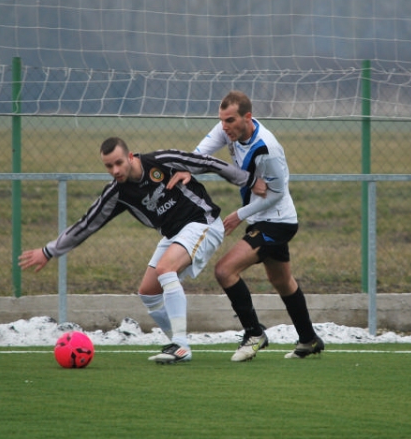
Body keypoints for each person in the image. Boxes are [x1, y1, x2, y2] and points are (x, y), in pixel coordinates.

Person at [18, 137, 263, 364]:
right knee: (148, 292)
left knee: (165, 269)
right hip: (175, 235)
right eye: (108, 166)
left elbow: (206, 162)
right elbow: (86, 224)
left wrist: (249, 181)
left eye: (118, 163)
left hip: (203, 223)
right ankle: (177, 342)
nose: (115, 170)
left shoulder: (161, 161)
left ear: (131, 156)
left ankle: (180, 346)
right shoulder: (117, 193)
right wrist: (49, 251)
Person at [169, 90, 324, 361]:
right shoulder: (227, 130)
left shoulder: (267, 148)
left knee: (224, 270)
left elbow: (277, 193)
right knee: (281, 280)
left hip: (276, 221)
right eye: (222, 120)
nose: (224, 126)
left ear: (247, 117)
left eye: (230, 120)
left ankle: (254, 334)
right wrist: (186, 168)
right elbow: (201, 154)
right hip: (264, 218)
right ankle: (309, 339)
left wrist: (239, 214)